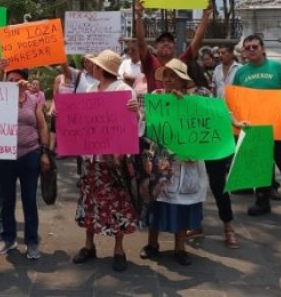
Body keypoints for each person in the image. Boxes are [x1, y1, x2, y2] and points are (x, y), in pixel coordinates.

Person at [71, 50, 140, 272]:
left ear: (103, 69)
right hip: (91, 158)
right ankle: (89, 244)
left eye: (96, 66)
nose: (92, 68)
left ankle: (119, 248)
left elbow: (133, 126)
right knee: (90, 200)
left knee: (116, 202)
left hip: (113, 160)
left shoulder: (123, 90)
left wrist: (136, 112)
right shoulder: (91, 89)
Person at [140, 59, 208, 266]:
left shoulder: (193, 101)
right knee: (156, 201)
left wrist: (182, 105)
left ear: (182, 80)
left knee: (183, 204)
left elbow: (206, 124)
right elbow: (145, 125)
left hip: (186, 161)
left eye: (173, 76)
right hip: (161, 160)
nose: (169, 79)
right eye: (166, 75)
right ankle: (152, 244)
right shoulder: (155, 98)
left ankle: (180, 247)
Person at [230, 34, 281, 219]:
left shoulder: (278, 68)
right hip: (254, 127)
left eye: (254, 47)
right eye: (248, 48)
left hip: (277, 127)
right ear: (244, 52)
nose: (251, 50)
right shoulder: (241, 72)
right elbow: (237, 99)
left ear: (263, 49)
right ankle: (262, 201)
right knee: (260, 165)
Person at [0, 69, 50, 260]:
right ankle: (8, 238)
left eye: (19, 79)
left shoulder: (34, 100)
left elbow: (42, 126)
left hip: (29, 154)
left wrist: (44, 152)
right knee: (7, 199)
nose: (15, 82)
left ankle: (32, 242)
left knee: (29, 200)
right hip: (5, 156)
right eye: (11, 80)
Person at [185, 59, 239, 249]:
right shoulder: (175, 95)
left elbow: (220, 111)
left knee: (218, 186)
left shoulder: (203, 92)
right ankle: (196, 224)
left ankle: (229, 227)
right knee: (194, 185)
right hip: (190, 150)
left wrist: (236, 123)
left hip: (210, 147)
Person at [135, 0, 212, 92]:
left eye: (169, 41)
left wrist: (206, 15)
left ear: (174, 47)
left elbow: (197, 41)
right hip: (155, 105)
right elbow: (140, 42)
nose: (166, 43)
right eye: (162, 41)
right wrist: (139, 16)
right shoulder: (150, 62)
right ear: (156, 47)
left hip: (177, 105)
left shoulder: (181, 63)